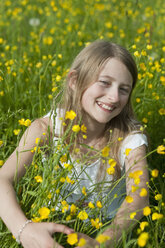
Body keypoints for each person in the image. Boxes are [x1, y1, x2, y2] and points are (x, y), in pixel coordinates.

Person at [0, 40, 149, 248]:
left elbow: (139, 196)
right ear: (75, 81)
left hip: (105, 231)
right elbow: (3, 179)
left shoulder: (130, 137)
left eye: (124, 89)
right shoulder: (46, 129)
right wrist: (24, 230)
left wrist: (102, 243)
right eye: (105, 82)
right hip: (52, 223)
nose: (114, 96)